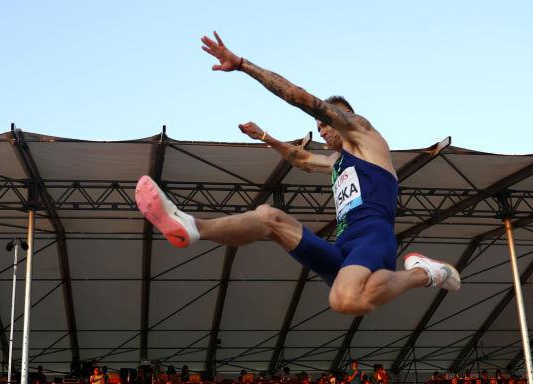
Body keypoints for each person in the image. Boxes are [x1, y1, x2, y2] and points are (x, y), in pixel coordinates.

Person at [135, 32, 460, 318]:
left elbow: (298, 96)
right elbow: (302, 159)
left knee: (344, 299)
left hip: (374, 240)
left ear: (343, 116)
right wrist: (266, 137)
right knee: (267, 217)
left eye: (324, 124)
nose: (321, 131)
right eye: (318, 128)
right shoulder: (338, 161)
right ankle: (191, 227)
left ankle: (423, 274)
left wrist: (243, 65)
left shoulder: (362, 134)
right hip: (344, 247)